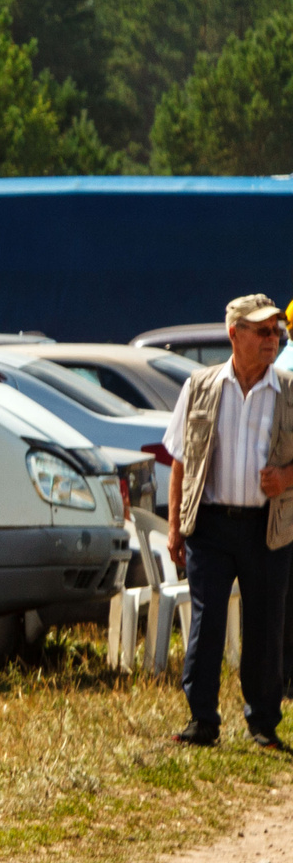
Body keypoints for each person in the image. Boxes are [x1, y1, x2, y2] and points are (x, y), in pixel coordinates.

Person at [163, 294, 293, 749]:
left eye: (276, 330)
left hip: (267, 527)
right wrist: (175, 526)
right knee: (207, 622)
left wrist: (286, 476)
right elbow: (180, 461)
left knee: (265, 623)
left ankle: (262, 723)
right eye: (261, 330)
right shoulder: (199, 386)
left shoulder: (289, 390)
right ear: (233, 334)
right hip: (211, 525)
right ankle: (202, 720)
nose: (272, 338)